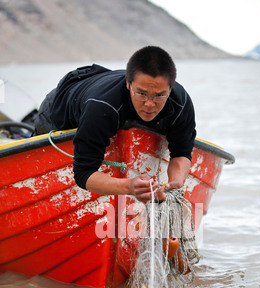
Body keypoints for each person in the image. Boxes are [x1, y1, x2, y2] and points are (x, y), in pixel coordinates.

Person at [34, 46, 196, 202]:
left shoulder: (180, 104)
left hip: (103, 89)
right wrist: (129, 186)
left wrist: (173, 186)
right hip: (64, 102)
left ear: (170, 89)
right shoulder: (101, 106)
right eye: (141, 93)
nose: (149, 104)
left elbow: (181, 152)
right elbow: (83, 173)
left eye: (159, 95)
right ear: (128, 84)